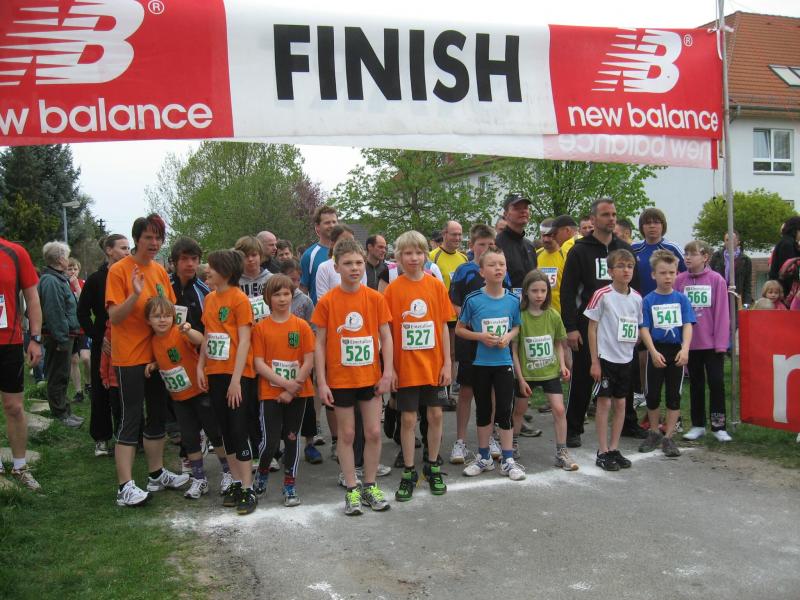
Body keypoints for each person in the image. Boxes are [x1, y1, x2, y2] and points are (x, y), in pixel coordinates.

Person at [105, 214, 189, 507]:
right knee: (131, 418)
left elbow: (169, 310)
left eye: (158, 238)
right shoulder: (119, 270)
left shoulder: (160, 271)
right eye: (148, 238)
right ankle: (124, 487)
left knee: (157, 415)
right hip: (130, 357)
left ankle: (156, 474)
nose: (154, 243)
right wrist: (135, 295)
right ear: (137, 239)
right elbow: (115, 317)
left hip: (158, 357)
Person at [312, 238, 393, 516]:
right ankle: (351, 488)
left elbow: (386, 336)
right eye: (347, 263)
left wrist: (388, 372)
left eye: (358, 262)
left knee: (373, 432)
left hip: (370, 378)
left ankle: (370, 485)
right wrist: (322, 381)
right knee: (346, 434)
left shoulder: (375, 298)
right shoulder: (327, 302)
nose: (355, 268)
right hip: (340, 380)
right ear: (336, 267)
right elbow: (319, 343)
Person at [560, 198, 643, 448]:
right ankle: (573, 427)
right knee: (584, 375)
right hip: (590, 325)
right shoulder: (579, 251)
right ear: (594, 219)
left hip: (620, 324)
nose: (612, 219)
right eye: (606, 214)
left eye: (614, 214)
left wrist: (636, 325)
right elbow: (568, 291)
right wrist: (571, 327)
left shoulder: (624, 249)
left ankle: (628, 422)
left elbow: (635, 287)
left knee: (625, 373)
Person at [384, 231, 452, 501]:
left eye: (418, 253)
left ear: (425, 255)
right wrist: (391, 369)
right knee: (409, 419)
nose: (413, 258)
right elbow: (387, 333)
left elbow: (444, 327)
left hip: (433, 365)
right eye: (407, 253)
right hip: (406, 367)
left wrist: (447, 363)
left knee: (435, 415)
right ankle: (409, 471)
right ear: (398, 257)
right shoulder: (393, 290)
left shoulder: (435, 286)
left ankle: (432, 466)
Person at [145, 296, 231, 499]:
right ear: (148, 320)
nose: (162, 320)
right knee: (190, 438)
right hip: (179, 399)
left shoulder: (179, 332)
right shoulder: (153, 341)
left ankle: (228, 472)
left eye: (167, 315)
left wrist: (188, 330)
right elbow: (165, 358)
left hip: (200, 393)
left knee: (215, 433)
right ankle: (200, 479)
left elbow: (200, 340)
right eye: (157, 316)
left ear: (173, 317)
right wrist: (154, 365)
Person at [197, 249, 258, 515]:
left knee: (238, 429)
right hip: (215, 372)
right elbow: (208, 335)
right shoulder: (209, 298)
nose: (206, 270)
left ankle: (248, 487)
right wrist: (200, 366)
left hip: (237, 375)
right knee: (225, 432)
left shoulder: (239, 299)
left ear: (225, 271)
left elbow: (244, 341)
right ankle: (235, 482)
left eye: (211, 267)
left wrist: (236, 380)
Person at [456, 247, 525, 481]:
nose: (498, 268)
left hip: (503, 363)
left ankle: (507, 459)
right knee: (484, 410)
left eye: (502, 264)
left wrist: (508, 337)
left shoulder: (513, 300)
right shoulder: (473, 299)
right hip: (480, 363)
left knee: (504, 410)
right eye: (492, 265)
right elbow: (460, 329)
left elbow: (517, 326)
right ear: (482, 271)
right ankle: (484, 457)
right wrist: (481, 337)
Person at [448, 224, 514, 464]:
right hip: (471, 341)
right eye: (482, 245)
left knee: (494, 392)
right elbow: (454, 301)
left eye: (490, 245)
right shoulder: (464, 270)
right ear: (472, 246)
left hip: (496, 344)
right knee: (467, 390)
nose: (486, 248)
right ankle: (460, 441)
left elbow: (508, 302)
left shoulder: (502, 272)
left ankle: (491, 436)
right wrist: (472, 323)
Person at [252, 275, 316, 506]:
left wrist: (292, 388)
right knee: (270, 442)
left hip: (298, 393)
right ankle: (262, 473)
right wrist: (284, 383)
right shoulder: (260, 328)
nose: (282, 299)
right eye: (277, 294)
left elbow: (309, 361)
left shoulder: (301, 326)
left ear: (293, 295)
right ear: (268, 298)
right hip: (270, 394)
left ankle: (290, 484)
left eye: (286, 294)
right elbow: (259, 363)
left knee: (291, 438)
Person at [511, 270, 577, 470]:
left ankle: (562, 451)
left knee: (559, 409)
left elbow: (558, 343)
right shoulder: (520, 316)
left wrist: (562, 365)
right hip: (527, 374)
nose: (539, 295)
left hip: (549, 372)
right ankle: (512, 443)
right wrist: (520, 378)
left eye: (543, 291)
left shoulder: (553, 315)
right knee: (519, 410)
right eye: (534, 291)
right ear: (526, 292)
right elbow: (514, 350)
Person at [584, 249, 642, 471]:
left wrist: (634, 339)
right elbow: (592, 327)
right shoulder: (602, 295)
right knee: (604, 403)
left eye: (630, 266)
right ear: (610, 271)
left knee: (621, 403)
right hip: (605, 357)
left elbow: (636, 325)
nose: (626, 270)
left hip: (625, 358)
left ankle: (614, 447)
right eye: (621, 266)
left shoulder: (637, 298)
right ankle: (602, 450)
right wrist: (594, 361)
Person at [637, 250, 695, 457]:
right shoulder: (648, 300)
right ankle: (654, 432)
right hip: (656, 350)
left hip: (676, 352)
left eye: (672, 272)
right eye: (663, 273)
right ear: (654, 275)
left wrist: (685, 349)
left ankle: (668, 437)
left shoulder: (681, 299)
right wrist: (652, 352)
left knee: (673, 395)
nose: (668, 277)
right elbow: (644, 328)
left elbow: (687, 324)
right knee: (652, 394)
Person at [78, 234, 130, 456]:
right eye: (123, 248)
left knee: (127, 390)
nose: (127, 252)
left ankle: (129, 436)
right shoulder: (96, 280)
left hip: (129, 341)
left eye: (129, 248)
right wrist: (98, 338)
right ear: (109, 250)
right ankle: (101, 438)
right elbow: (82, 312)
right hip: (104, 342)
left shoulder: (132, 275)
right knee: (101, 391)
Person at [675, 241, 732, 442]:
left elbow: (722, 313)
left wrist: (721, 343)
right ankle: (698, 425)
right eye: (686, 253)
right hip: (690, 344)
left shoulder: (716, 280)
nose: (688, 257)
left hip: (712, 344)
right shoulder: (680, 280)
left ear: (705, 257)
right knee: (696, 384)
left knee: (716, 383)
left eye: (693, 254)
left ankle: (719, 426)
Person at [0, 235, 43, 491]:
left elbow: (33, 298)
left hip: (9, 342)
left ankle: (20, 466)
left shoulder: (15, 252)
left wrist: (35, 338)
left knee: (14, 407)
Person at [279, 258, 323, 462]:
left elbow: (314, 330)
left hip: (302, 361)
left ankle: (310, 443)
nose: (294, 284)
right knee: (281, 403)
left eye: (297, 280)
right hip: (279, 362)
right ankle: (283, 445)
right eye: (291, 279)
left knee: (305, 403)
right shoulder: (273, 299)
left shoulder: (305, 301)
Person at [38, 241, 83, 428]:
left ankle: (65, 411)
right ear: (59, 260)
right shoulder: (51, 281)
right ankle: (61, 415)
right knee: (58, 375)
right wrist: (61, 338)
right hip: (58, 336)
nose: (68, 260)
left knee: (63, 374)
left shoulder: (58, 278)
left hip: (65, 334)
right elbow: (54, 312)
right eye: (66, 256)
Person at [429, 220, 467, 394]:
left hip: (458, 314)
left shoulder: (463, 258)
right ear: (444, 234)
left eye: (460, 234)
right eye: (454, 234)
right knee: (442, 353)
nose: (457, 238)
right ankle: (438, 390)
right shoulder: (432, 256)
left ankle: (448, 391)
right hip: (441, 314)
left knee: (453, 354)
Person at [494, 192, 537, 291]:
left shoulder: (530, 246)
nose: (523, 211)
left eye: (525, 208)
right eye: (517, 208)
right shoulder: (497, 244)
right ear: (505, 214)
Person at [315, 225, 366, 299]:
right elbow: (322, 299)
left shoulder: (360, 267)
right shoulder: (324, 267)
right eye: (344, 242)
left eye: (351, 241)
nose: (348, 245)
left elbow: (364, 293)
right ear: (332, 244)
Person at [300, 205, 339, 304]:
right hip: (319, 311)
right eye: (327, 222)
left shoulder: (347, 252)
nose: (332, 225)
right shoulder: (309, 255)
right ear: (317, 227)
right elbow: (303, 290)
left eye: (334, 222)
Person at [66, 257, 90, 405]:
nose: (72, 271)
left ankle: (88, 383)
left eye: (75, 269)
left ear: (79, 270)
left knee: (86, 358)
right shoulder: (62, 285)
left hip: (82, 327)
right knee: (73, 360)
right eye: (69, 269)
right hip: (69, 328)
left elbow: (84, 303)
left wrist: (76, 286)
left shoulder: (83, 283)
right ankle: (78, 391)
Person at [711, 231, 754, 307]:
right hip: (719, 296)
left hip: (736, 298)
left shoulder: (746, 260)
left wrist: (747, 303)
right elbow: (710, 276)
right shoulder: (716, 256)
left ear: (738, 242)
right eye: (727, 240)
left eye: (732, 240)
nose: (729, 242)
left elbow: (747, 284)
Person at [235, 235, 273, 322]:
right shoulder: (234, 281)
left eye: (254, 255)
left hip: (267, 325)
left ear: (261, 255)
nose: (250, 259)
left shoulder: (272, 279)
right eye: (246, 256)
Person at [768, 216, 800, 298]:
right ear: (796, 230)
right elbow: (788, 271)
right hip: (783, 291)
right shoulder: (787, 244)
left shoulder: (789, 242)